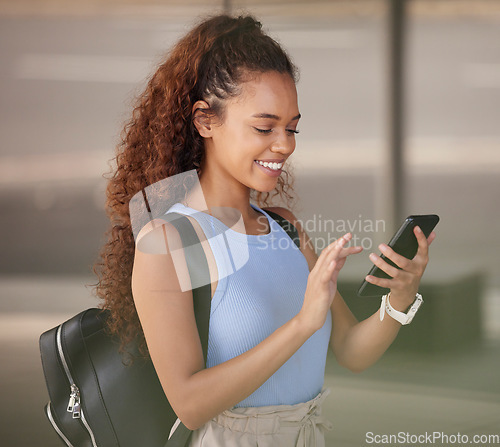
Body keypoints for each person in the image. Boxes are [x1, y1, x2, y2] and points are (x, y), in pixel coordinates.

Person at [92, 13, 436, 447]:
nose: (285, 144)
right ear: (205, 121)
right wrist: (302, 324)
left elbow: (351, 350)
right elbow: (190, 403)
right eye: (264, 126)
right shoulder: (169, 240)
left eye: (292, 127)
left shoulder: (287, 229)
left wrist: (399, 299)